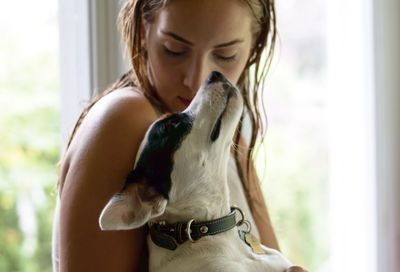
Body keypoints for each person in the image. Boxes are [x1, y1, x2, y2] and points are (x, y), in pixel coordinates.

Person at [52, 0, 307, 271]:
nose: (197, 80)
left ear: (254, 47)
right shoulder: (125, 120)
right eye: (174, 50)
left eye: (226, 55)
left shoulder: (220, 136)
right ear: (143, 30)